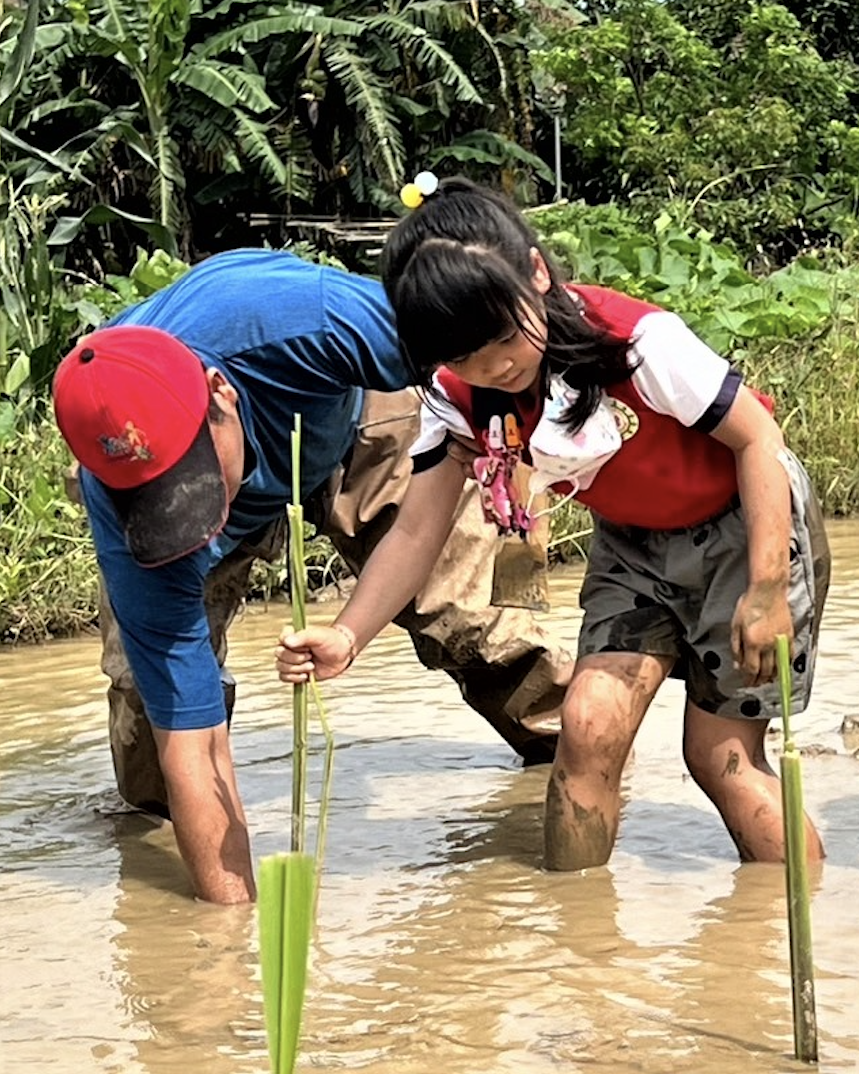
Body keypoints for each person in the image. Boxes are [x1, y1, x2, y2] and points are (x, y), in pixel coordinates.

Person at [274, 177, 831, 871]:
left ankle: (795, 940)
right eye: (464, 357)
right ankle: (576, 951)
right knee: (587, 724)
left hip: (747, 529)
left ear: (536, 274)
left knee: (720, 759)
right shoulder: (456, 399)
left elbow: (759, 441)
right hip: (635, 544)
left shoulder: (636, 344)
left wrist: (768, 588)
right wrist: (347, 634)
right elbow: (418, 530)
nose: (495, 366)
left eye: (504, 337)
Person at [53, 248, 572, 903]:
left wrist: (514, 485)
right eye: (169, 501)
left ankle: (582, 771)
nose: (194, 509)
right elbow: (193, 745)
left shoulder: (309, 322)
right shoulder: (122, 503)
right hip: (218, 469)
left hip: (351, 423)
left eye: (197, 481)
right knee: (150, 735)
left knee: (476, 624)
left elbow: (500, 356)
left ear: (220, 394)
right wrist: (230, 936)